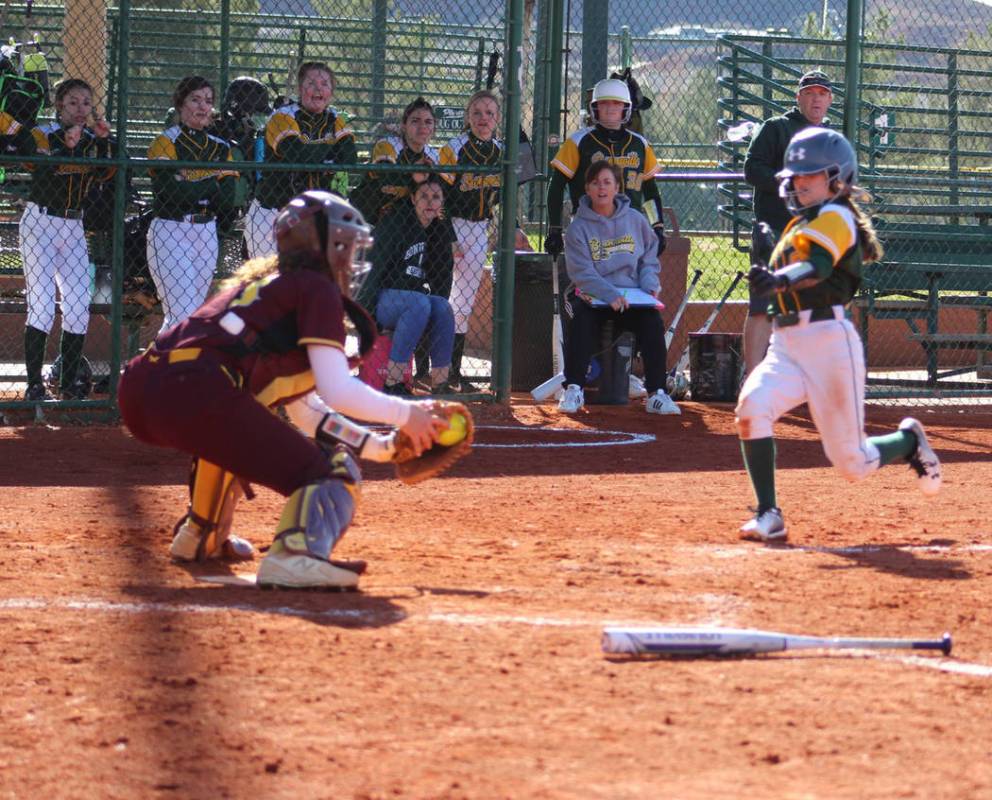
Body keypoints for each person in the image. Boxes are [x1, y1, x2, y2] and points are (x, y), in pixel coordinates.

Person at [118, 190, 447, 590]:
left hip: (140, 389)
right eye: (344, 244)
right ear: (321, 244)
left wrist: (381, 447)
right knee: (331, 473)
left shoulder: (268, 288)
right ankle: (295, 554)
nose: (351, 259)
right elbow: (338, 390)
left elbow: (308, 411)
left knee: (227, 436)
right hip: (197, 389)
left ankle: (200, 533)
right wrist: (407, 413)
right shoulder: (314, 288)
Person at [737, 128, 941, 543]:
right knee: (751, 407)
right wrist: (773, 256)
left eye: (809, 175)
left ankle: (907, 442)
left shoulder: (837, 216)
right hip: (786, 344)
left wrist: (777, 276)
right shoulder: (801, 223)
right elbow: (800, 262)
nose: (798, 182)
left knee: (852, 463)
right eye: (794, 176)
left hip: (828, 343)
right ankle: (768, 512)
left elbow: (818, 268)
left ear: (837, 178)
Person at [557, 161, 680, 416]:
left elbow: (648, 258)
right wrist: (609, 294)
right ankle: (574, 389)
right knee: (581, 320)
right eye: (595, 183)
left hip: (631, 297)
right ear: (587, 189)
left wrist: (649, 285)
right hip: (596, 296)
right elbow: (582, 272)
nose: (601, 188)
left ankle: (657, 393)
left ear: (616, 188)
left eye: (607, 182)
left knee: (652, 323)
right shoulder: (578, 227)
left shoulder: (635, 219)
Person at [19, 78, 115, 401]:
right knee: (43, 306)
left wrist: (104, 141)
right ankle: (34, 384)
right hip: (40, 222)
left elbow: (107, 172)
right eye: (73, 102)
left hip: (74, 226)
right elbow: (38, 165)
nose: (80, 109)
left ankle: (70, 380)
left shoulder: (90, 138)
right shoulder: (43, 134)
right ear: (59, 105)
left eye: (86, 103)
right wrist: (66, 146)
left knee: (77, 305)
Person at [742, 69, 833, 378]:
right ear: (799, 98)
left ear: (829, 100)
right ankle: (753, 378)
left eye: (822, 94)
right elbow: (752, 169)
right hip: (775, 232)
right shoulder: (776, 128)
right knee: (763, 306)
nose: (816, 99)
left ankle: (804, 378)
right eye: (810, 93)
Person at [439, 89, 529, 393]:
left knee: (462, 301)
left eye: (490, 113)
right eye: (477, 112)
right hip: (449, 226)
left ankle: (452, 371)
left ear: (498, 119)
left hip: (479, 229)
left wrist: (514, 226)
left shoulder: (502, 151)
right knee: (439, 294)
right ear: (467, 116)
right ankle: (429, 369)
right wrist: (449, 238)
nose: (483, 119)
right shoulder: (454, 149)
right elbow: (438, 198)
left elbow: (506, 195)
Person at [146, 75, 239, 335]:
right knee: (184, 313)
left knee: (188, 313)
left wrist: (191, 183)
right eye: (195, 100)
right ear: (180, 104)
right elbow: (171, 193)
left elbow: (227, 200)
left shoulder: (221, 148)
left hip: (206, 233)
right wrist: (211, 184)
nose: (202, 106)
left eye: (208, 101)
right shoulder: (165, 141)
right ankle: (171, 373)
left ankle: (153, 371)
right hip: (170, 229)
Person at [544, 77, 666, 261]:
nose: (610, 108)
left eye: (617, 103)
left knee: (626, 282)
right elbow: (556, 186)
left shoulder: (640, 145)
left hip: (629, 227)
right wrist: (554, 228)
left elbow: (650, 191)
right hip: (589, 225)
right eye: (604, 103)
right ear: (595, 108)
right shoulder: (578, 142)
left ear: (626, 108)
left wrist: (658, 226)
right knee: (589, 284)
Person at [246, 62, 357, 259]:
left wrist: (316, 149)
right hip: (272, 214)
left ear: (331, 92)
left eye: (324, 84)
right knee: (268, 284)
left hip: (311, 220)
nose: (318, 89)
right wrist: (331, 145)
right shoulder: (282, 116)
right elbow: (299, 156)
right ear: (300, 89)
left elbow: (349, 157)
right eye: (311, 83)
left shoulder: (335, 118)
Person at [358, 174, 456, 395]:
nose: (430, 202)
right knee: (419, 303)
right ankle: (394, 382)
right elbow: (370, 268)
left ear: (442, 202)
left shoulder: (438, 231)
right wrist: (368, 314)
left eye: (436, 197)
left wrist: (433, 313)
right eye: (424, 196)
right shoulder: (396, 222)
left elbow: (442, 279)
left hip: (413, 302)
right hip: (381, 299)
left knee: (442, 306)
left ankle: (440, 384)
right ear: (413, 199)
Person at [350, 96, 440, 226]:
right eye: (415, 121)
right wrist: (414, 176)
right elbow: (388, 180)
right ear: (404, 125)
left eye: (428, 122)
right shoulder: (387, 144)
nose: (423, 126)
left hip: (406, 222)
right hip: (367, 218)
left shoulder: (433, 154)